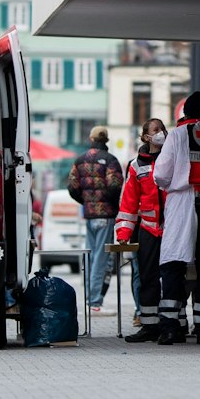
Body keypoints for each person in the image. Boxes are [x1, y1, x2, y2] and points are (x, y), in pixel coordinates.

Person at [153, 94, 200, 346]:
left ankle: (170, 328)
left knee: (173, 263)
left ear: (185, 111)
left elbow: (161, 174)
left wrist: (171, 184)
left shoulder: (177, 135)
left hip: (183, 202)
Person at [117, 125, 167, 344]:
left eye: (162, 128)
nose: (161, 133)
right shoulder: (136, 165)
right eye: (155, 130)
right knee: (147, 277)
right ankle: (149, 326)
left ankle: (174, 325)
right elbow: (129, 201)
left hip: (172, 227)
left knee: (174, 278)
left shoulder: (172, 158)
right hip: (147, 228)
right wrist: (124, 232)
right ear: (146, 136)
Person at [68, 126, 125, 312]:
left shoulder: (79, 160)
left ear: (91, 139)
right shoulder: (110, 160)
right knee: (101, 260)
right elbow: (115, 186)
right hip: (106, 216)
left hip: (90, 215)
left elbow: (72, 187)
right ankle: (94, 301)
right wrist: (109, 204)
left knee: (90, 258)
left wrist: (87, 202)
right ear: (106, 140)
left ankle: (88, 298)